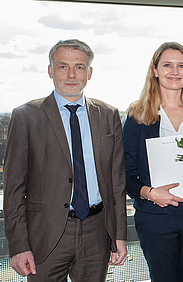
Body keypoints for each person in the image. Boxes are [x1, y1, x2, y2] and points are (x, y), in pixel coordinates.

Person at [3, 39, 127, 281]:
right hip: (45, 235)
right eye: (62, 66)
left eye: (79, 67)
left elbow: (117, 182)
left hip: (96, 233)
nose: (71, 74)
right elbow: (13, 189)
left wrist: (119, 235)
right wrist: (18, 246)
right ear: (50, 70)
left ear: (89, 73)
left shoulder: (109, 115)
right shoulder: (26, 116)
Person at [123, 42, 183, 282]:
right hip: (155, 216)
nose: (174, 71)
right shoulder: (137, 117)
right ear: (155, 70)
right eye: (167, 65)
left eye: (181, 66)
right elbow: (125, 173)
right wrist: (150, 193)